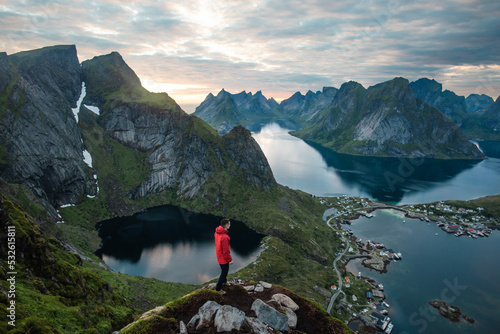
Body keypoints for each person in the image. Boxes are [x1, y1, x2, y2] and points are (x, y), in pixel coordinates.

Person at [214, 218, 233, 294]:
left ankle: (224, 282)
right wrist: (230, 260)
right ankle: (218, 289)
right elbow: (226, 252)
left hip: (219, 255)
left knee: (224, 271)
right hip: (223, 258)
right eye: (229, 224)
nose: (230, 225)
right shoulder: (224, 237)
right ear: (226, 225)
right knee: (224, 272)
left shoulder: (217, 232)